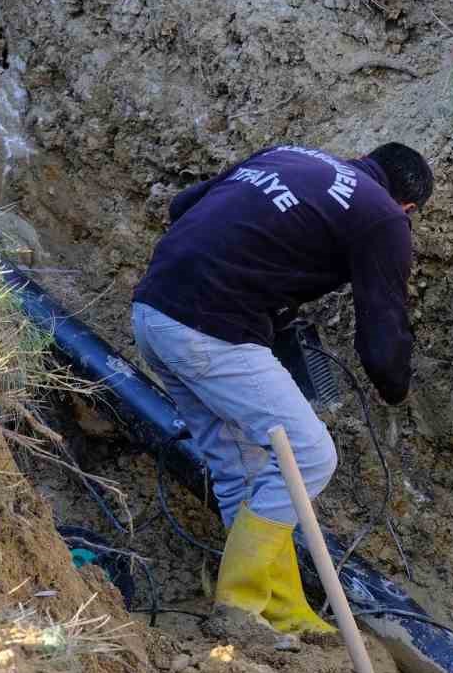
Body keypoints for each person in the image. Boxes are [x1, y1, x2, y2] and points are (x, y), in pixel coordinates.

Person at [131, 142, 432, 636]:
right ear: (409, 207)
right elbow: (382, 340)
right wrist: (395, 388)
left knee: (240, 470)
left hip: (152, 315)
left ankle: (278, 611)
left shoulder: (292, 157)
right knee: (311, 455)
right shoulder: (384, 218)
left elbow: (182, 206)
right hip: (210, 328)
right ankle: (238, 606)